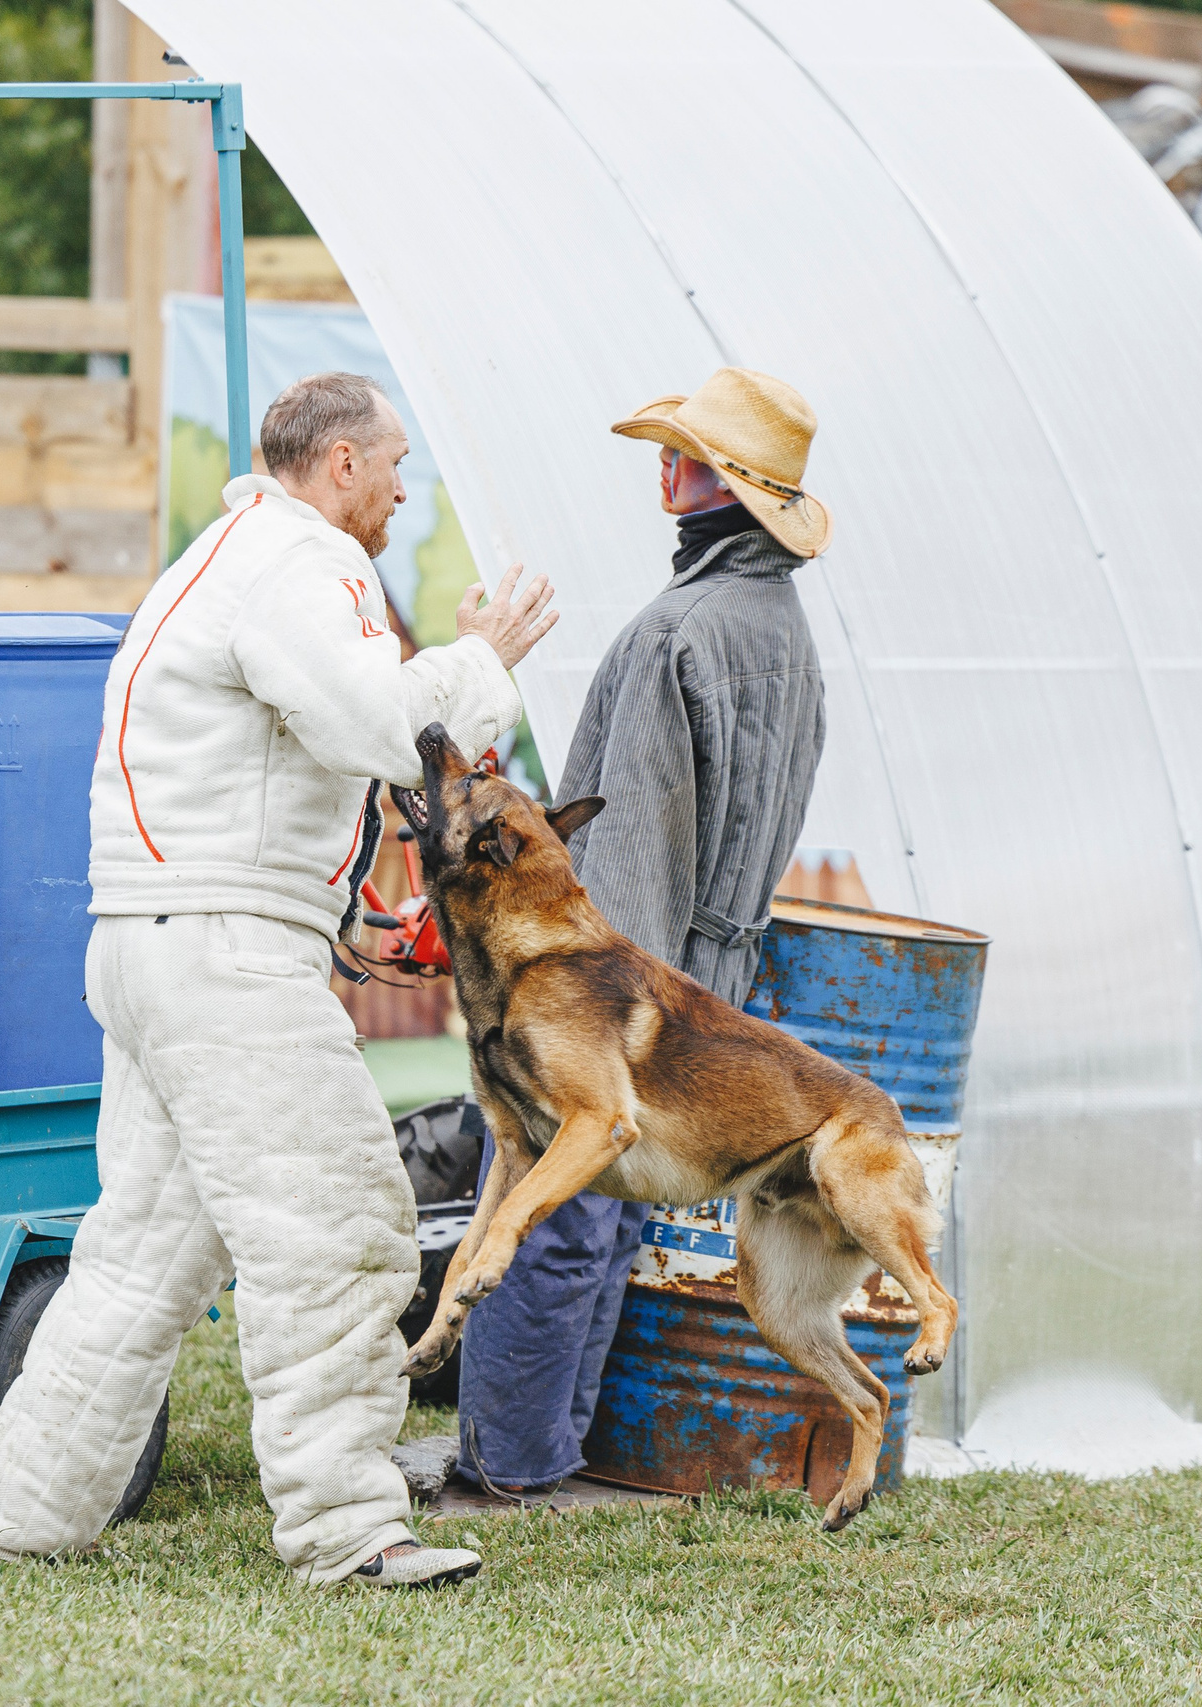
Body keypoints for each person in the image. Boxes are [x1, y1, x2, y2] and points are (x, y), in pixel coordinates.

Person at [0, 372, 557, 1588]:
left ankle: (25, 1509)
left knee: (139, 1257)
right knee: (341, 1238)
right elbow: (386, 730)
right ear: (340, 463)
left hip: (160, 941)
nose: (404, 489)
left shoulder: (223, 555)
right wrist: (480, 660)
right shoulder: (301, 563)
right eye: (394, 464)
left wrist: (339, 924)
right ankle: (349, 1529)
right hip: (223, 959)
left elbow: (243, 780)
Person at [453, 366, 831, 1494]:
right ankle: (550, 1447)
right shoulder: (784, 631)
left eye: (690, 456)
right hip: (715, 971)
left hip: (626, 976)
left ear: (729, 489)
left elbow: (628, 857)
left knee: (551, 1201)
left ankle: (507, 1463)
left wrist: (576, 1000)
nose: (664, 468)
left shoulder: (674, 631)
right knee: (615, 1212)